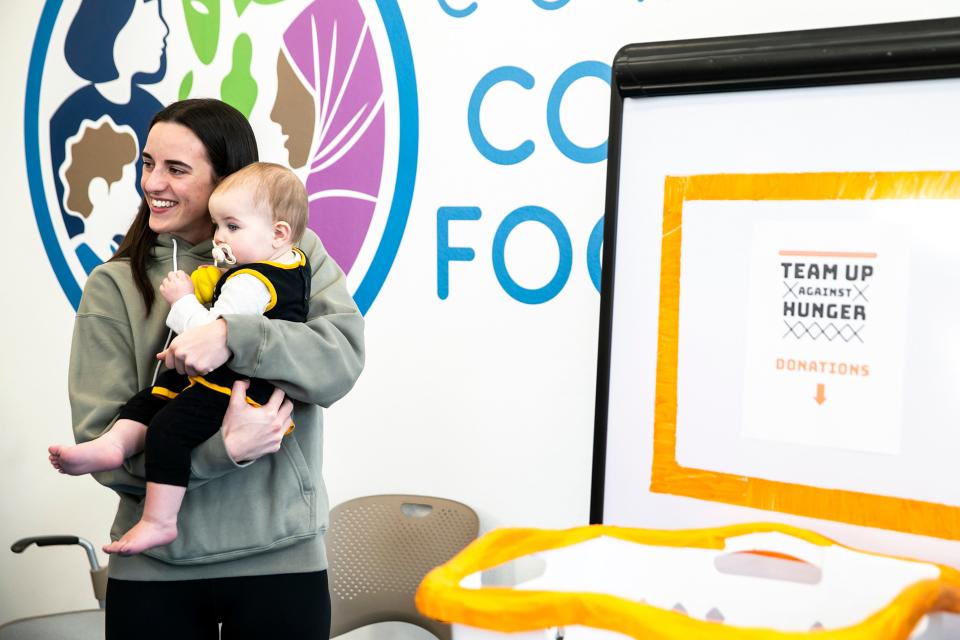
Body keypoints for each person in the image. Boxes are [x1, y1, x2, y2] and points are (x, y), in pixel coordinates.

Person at [57, 98, 364, 639]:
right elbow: (103, 445)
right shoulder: (115, 283)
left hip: (281, 562)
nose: (154, 182)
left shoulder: (292, 251)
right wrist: (223, 453)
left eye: (177, 169)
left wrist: (231, 334)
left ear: (227, 178)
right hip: (155, 571)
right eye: (148, 164)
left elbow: (338, 362)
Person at [50, 161, 315, 557]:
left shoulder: (250, 281)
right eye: (217, 225)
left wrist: (182, 298)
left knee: (167, 430)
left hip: (235, 388)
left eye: (231, 227)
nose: (218, 237)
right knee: (149, 401)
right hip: (221, 382)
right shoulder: (287, 261)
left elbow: (206, 336)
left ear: (278, 232)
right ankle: (115, 444)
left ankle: (159, 520)